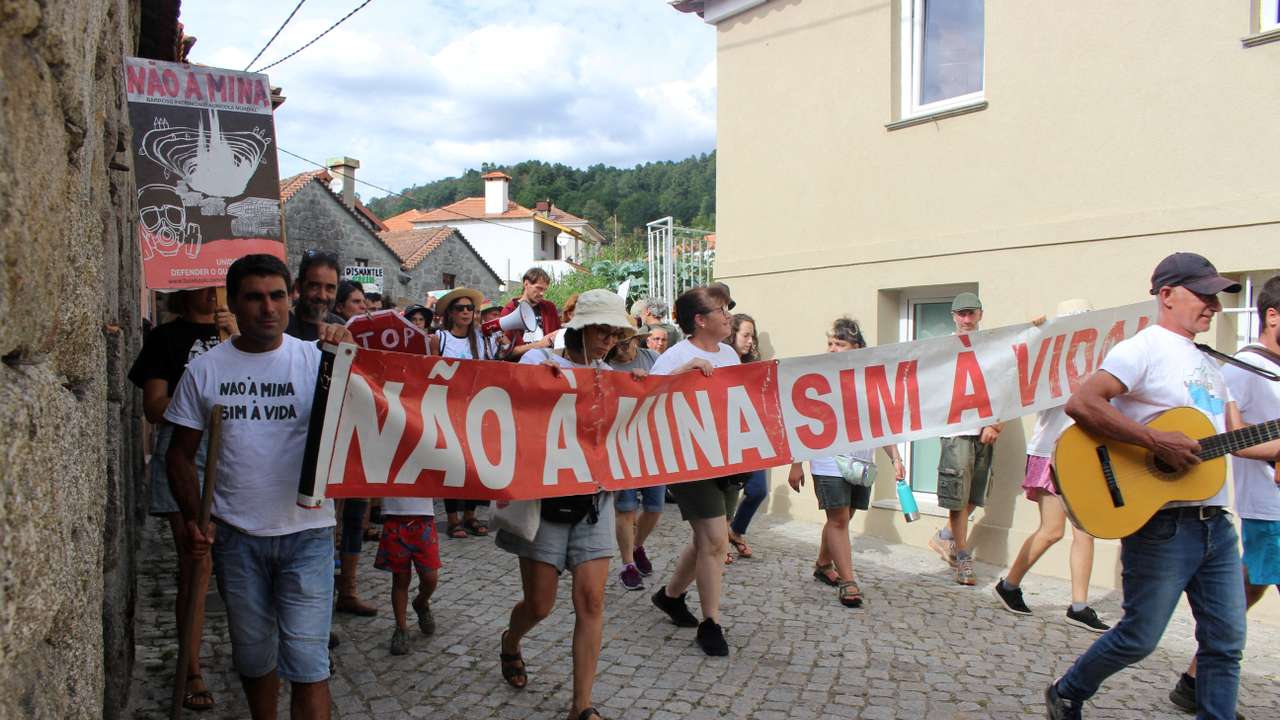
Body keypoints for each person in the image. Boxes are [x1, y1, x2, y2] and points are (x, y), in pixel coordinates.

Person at [1045, 253, 1280, 720]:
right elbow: (1083, 402)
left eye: (1217, 296)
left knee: (1226, 641)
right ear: (1166, 295)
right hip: (1159, 523)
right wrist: (1155, 441)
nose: (1213, 304)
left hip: (1215, 522)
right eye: (1203, 294)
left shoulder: (1212, 362)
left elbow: (1233, 440)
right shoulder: (1141, 349)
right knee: (1139, 636)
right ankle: (1068, 689)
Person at [167, 254, 352, 720]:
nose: (267, 308)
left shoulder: (318, 363)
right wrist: (196, 520)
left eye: (276, 296)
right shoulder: (205, 371)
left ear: (289, 299)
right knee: (253, 659)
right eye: (254, 298)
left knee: (310, 664)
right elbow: (179, 456)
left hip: (308, 534)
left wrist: (347, 350)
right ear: (232, 302)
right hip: (236, 538)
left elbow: (374, 413)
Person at [498, 289, 643, 720]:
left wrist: (688, 372)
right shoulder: (538, 365)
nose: (608, 339)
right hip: (544, 504)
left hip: (594, 502)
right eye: (602, 330)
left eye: (615, 332)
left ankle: (583, 706)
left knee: (591, 601)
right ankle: (511, 640)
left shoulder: (612, 376)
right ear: (580, 328)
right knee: (540, 605)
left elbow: (653, 406)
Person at [1167, 274, 1280, 714]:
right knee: (1246, 589)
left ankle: (1195, 682)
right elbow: (1225, 438)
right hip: (1267, 508)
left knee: (1248, 590)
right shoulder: (1245, 368)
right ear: (1272, 316)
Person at [128, 287, 236, 712]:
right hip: (186, 453)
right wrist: (201, 399)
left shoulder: (239, 334)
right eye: (204, 283)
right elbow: (154, 407)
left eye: (220, 283)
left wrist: (235, 337)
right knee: (197, 562)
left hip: (236, 452)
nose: (213, 292)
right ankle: (191, 668)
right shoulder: (166, 339)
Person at [992, 299, 1110, 633]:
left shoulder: (1100, 364)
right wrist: (1038, 328)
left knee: (1085, 530)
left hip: (1084, 455)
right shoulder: (1051, 364)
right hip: (1049, 452)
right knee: (1052, 530)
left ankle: (1079, 605)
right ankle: (1009, 585)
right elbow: (1021, 366)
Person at [787, 317, 905, 607]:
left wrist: (896, 457)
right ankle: (848, 580)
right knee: (838, 519)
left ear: (857, 347)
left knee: (844, 516)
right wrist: (796, 462)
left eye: (839, 344)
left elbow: (881, 423)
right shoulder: (818, 377)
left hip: (860, 461)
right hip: (827, 460)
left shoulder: (869, 379)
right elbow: (803, 420)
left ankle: (823, 564)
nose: (832, 349)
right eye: (830, 343)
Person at [649, 284, 740, 656]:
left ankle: (670, 597)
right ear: (700, 320)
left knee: (708, 539)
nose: (729, 315)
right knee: (716, 540)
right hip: (688, 460)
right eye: (721, 310)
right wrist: (682, 374)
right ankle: (711, 623)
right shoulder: (674, 356)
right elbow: (644, 400)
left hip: (729, 459)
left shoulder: (731, 354)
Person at [287, 252, 376, 618]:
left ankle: (325, 616)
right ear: (298, 289)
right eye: (314, 286)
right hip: (290, 455)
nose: (321, 294)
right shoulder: (283, 330)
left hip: (334, 450)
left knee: (328, 537)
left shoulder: (343, 330)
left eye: (329, 287)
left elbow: (362, 383)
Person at [927, 292, 1004, 586]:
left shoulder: (993, 346)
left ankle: (944, 537)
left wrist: (997, 423)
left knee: (974, 497)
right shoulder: (942, 349)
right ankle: (962, 556)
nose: (966, 319)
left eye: (971, 313)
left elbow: (1004, 386)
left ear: (981, 314)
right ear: (953, 317)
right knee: (957, 499)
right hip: (956, 431)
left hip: (984, 431)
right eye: (961, 314)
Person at [431, 287, 496, 538]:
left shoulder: (480, 340)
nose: (466, 312)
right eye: (460, 308)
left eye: (470, 308)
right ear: (451, 313)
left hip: (475, 407)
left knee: (474, 464)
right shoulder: (440, 338)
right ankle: (453, 518)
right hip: (449, 408)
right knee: (453, 465)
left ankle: (470, 515)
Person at [606, 323, 663, 590]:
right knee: (626, 506)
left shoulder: (652, 358)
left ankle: (637, 545)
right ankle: (627, 563)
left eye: (625, 343)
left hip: (653, 441)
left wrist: (648, 381)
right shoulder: (606, 366)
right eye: (616, 343)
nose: (621, 349)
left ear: (636, 341)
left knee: (655, 506)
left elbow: (669, 383)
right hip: (622, 442)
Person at [375, 489, 440, 656]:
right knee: (400, 579)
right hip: (394, 517)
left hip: (423, 518)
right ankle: (401, 627)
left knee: (430, 577)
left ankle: (421, 602)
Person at [727, 313, 766, 561]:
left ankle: (736, 530)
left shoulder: (754, 367)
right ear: (733, 335)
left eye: (753, 336)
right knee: (725, 495)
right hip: (726, 438)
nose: (750, 341)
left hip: (752, 436)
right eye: (745, 335)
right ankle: (718, 541)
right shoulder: (720, 364)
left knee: (758, 490)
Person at [501, 267, 561, 359]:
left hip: (548, 365)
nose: (542, 293)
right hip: (521, 368)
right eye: (538, 288)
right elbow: (508, 352)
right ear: (526, 284)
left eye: (544, 290)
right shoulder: (509, 311)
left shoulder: (549, 308)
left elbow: (559, 343)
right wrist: (539, 345)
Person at [285, 249, 345, 341]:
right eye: (314, 286)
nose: (322, 296)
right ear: (298, 286)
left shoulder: (341, 328)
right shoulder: (280, 326)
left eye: (330, 288)